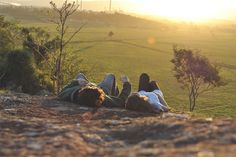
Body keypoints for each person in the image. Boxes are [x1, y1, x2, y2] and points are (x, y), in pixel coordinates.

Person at [58, 73, 131, 109]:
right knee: (110, 76)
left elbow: (61, 92)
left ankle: (81, 81)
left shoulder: (72, 93)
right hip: (103, 89)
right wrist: (126, 83)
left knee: (80, 75)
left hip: (82, 87)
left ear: (81, 90)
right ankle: (113, 95)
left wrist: (77, 82)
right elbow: (121, 101)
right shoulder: (102, 98)